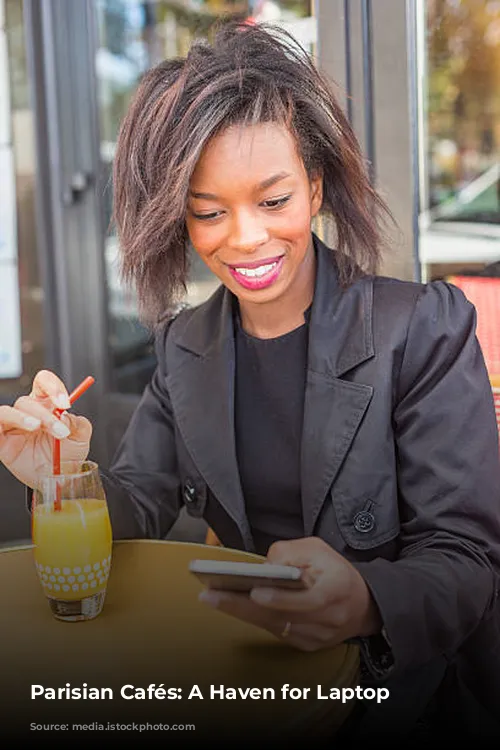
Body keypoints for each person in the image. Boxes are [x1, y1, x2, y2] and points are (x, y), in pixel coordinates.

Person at [1, 22, 499, 743]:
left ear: (316, 185)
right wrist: (61, 474)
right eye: (208, 212)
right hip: (250, 679)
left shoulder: (420, 329)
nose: (244, 239)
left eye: (273, 201)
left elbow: (466, 560)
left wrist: (364, 600)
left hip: (398, 697)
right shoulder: (185, 345)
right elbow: (139, 499)